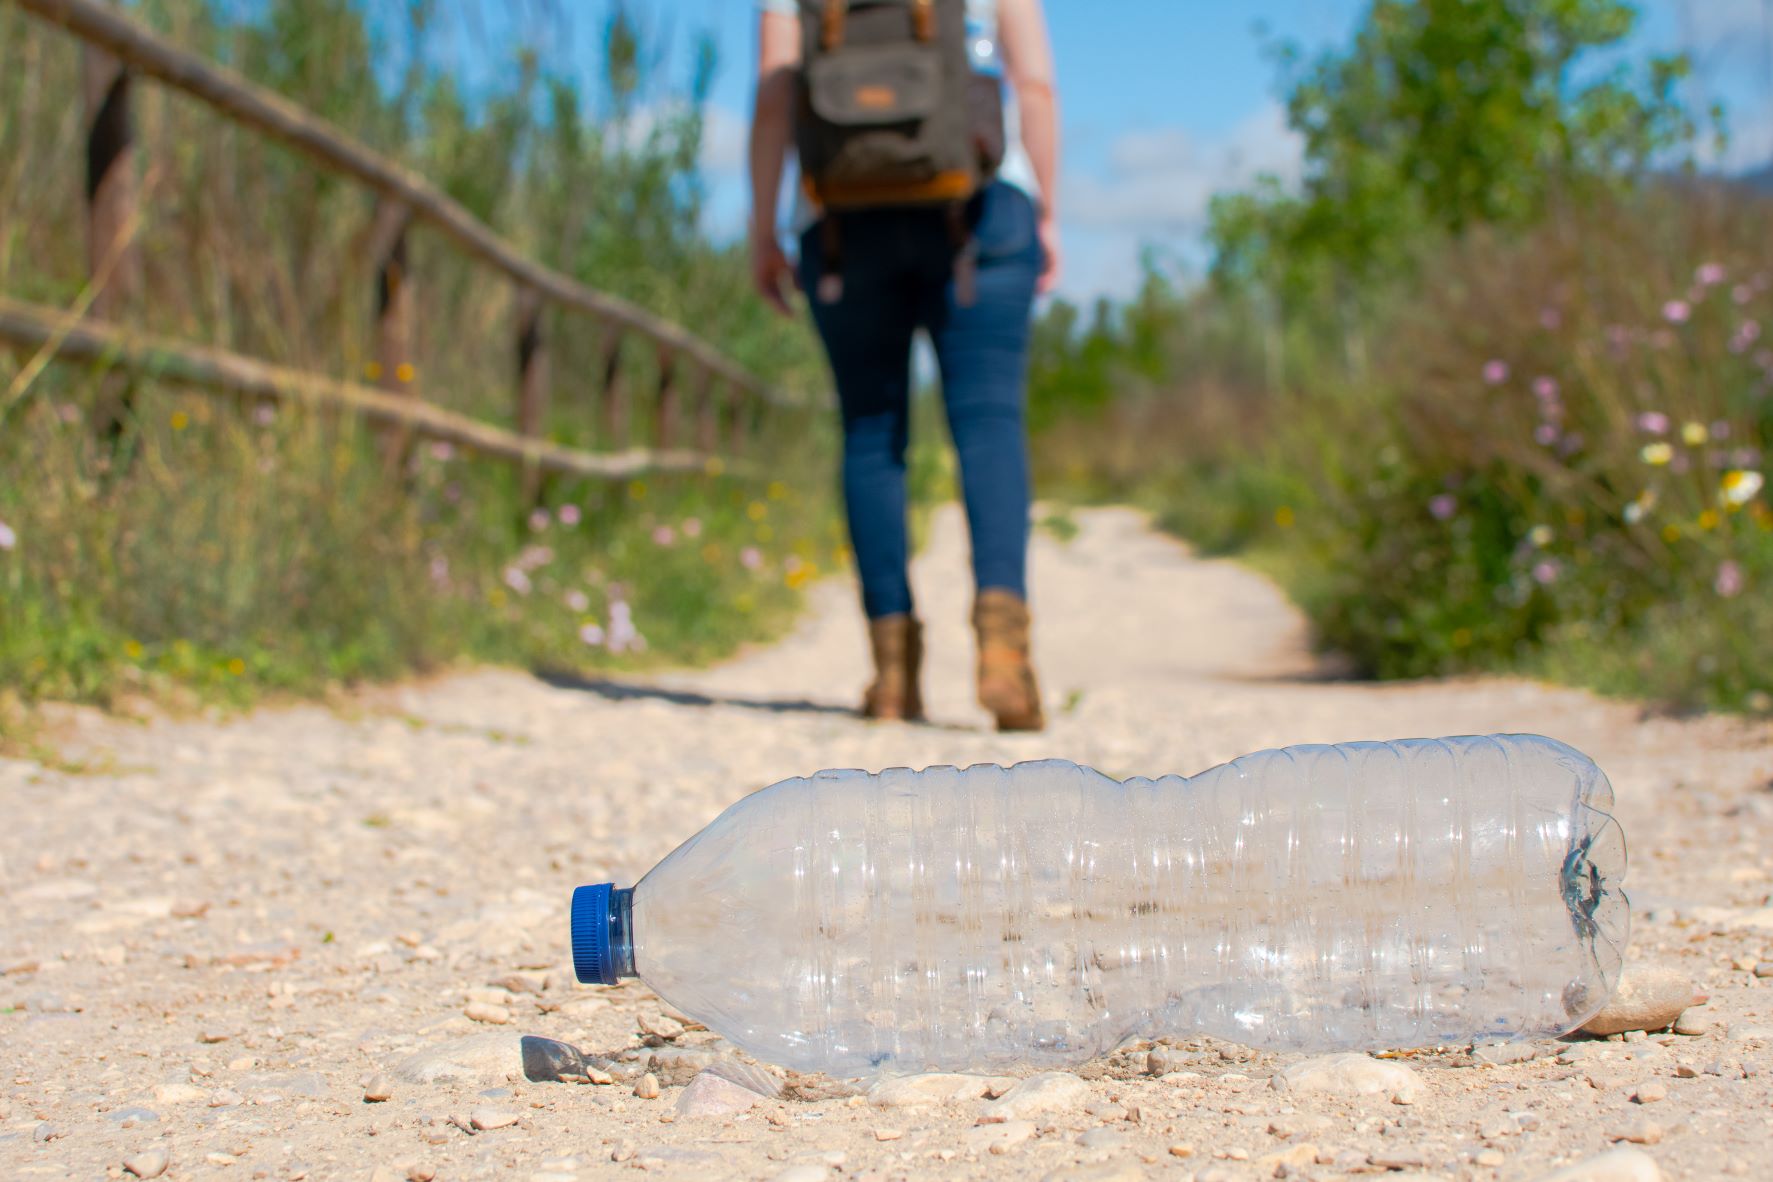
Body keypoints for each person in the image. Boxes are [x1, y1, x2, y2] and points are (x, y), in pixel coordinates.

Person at [748, 0, 1061, 731]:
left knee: (870, 431)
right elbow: (1035, 86)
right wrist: (1044, 211)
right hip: (982, 204)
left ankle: (891, 674)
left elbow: (772, 99)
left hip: (840, 215)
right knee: (987, 422)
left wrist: (762, 226)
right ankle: (1003, 653)